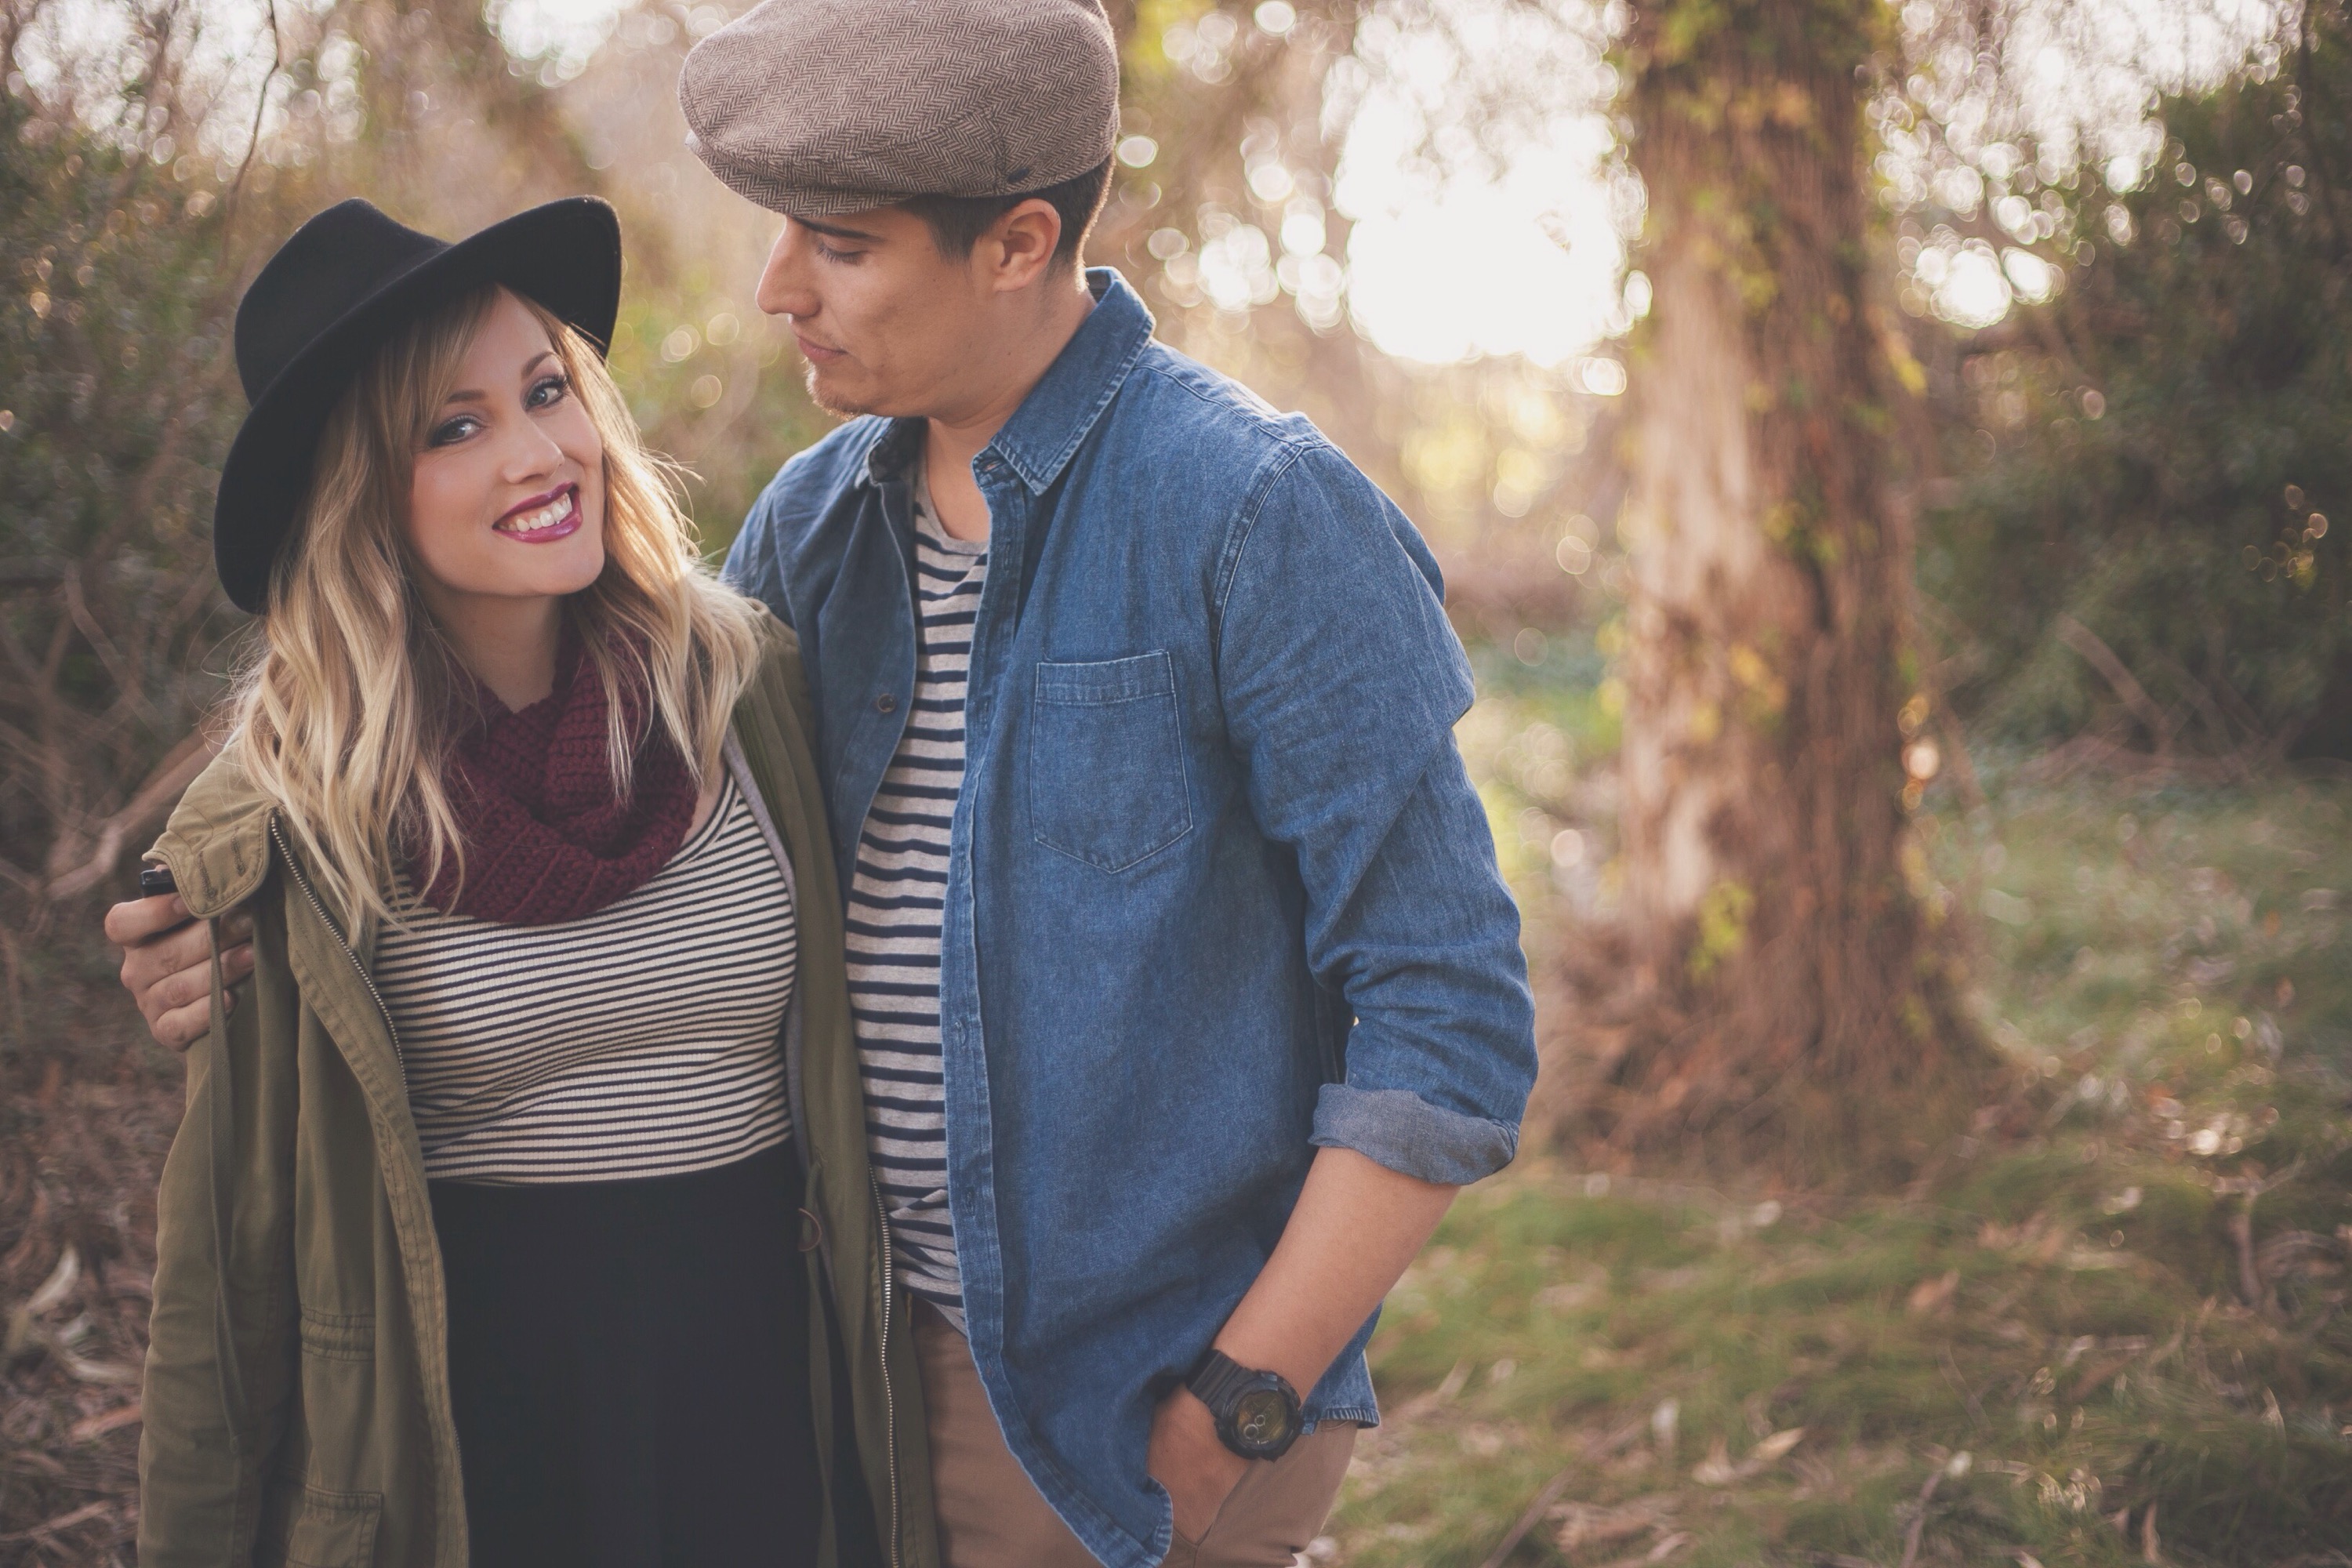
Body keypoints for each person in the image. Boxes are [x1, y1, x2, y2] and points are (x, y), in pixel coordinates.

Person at [675, 2, 1541, 1563]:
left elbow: (1449, 1007)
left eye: (842, 247)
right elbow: (664, 859)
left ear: (1018, 244)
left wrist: (1238, 1404)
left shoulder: (1256, 509)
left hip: (1127, 1413)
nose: (778, 288)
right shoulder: (811, 524)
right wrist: (253, 912)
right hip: (853, 1365)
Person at [107, 198, 934, 1568]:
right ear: (359, 496)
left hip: (769, 1408)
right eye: (456, 426)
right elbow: (225, 1282)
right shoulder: (297, 816)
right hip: (477, 1448)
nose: (543, 452)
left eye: (547, 391)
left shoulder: (748, 692)